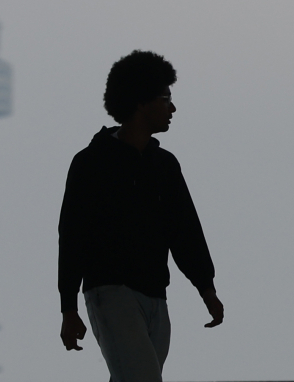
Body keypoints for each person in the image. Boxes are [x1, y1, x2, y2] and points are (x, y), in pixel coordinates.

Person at [58, 50, 223, 382]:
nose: (173, 108)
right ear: (140, 102)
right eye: (166, 99)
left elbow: (185, 230)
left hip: (156, 298)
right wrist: (68, 307)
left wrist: (206, 288)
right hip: (110, 292)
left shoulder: (164, 166)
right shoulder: (91, 163)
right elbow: (72, 234)